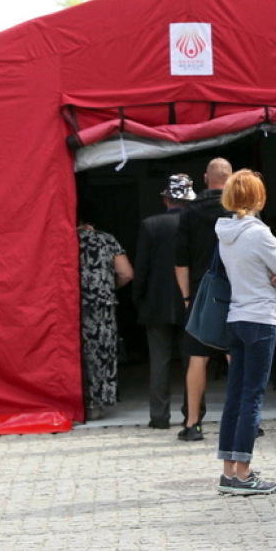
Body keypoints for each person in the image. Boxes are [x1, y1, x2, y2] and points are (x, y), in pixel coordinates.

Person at [214, 169, 276, 495]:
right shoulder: (259, 233)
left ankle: (228, 472)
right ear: (257, 197)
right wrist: (275, 276)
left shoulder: (224, 232)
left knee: (235, 395)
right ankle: (245, 474)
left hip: (235, 316)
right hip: (261, 317)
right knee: (253, 397)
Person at [174, 157, 233, 441]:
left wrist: (187, 297)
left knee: (197, 358)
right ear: (231, 178)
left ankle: (192, 423)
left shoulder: (189, 212)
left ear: (206, 178)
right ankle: (245, 419)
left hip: (200, 293)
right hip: (236, 292)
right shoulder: (242, 211)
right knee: (237, 356)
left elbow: (181, 261)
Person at [134, 174, 196, 430]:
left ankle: (159, 417)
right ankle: (193, 414)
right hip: (190, 301)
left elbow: (142, 268)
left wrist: (139, 299)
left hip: (157, 303)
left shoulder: (150, 225)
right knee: (193, 360)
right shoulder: (196, 223)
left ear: (165, 198)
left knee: (159, 362)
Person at [77, 207, 133, 422]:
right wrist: (108, 287)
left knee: (76, 353)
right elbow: (126, 273)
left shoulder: (63, 239)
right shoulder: (106, 240)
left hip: (72, 306)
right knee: (101, 353)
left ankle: (77, 402)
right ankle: (97, 404)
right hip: (102, 305)